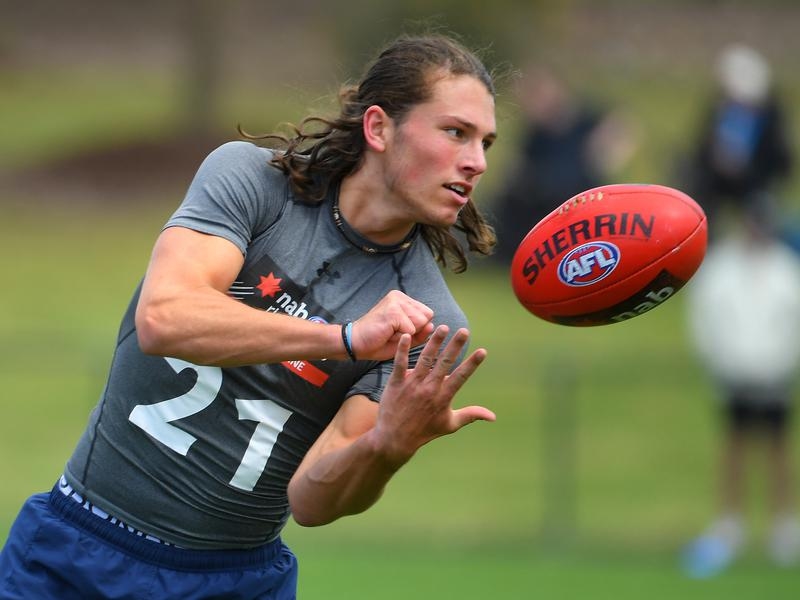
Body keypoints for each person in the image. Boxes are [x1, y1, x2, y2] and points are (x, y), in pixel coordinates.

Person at [0, 33, 499, 599]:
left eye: (485, 142)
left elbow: (312, 501)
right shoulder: (256, 183)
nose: (476, 162)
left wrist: (386, 447)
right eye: (455, 132)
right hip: (75, 549)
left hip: (230, 584)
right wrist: (344, 338)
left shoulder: (428, 319)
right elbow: (164, 318)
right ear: (379, 128)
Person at [681, 199, 800, 578]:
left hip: (775, 372)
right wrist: (717, 360)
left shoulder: (785, 268)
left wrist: (785, 361)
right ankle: (729, 525)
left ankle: (784, 527)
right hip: (733, 373)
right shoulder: (721, 267)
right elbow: (704, 318)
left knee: (778, 447)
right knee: (733, 447)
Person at [489, 65, 636, 263]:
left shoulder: (586, 119)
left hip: (581, 195)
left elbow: (619, 135)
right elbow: (522, 168)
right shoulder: (536, 134)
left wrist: (605, 153)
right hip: (541, 199)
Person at [681, 43, 793, 237]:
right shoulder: (720, 109)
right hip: (716, 179)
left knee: (760, 208)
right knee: (700, 197)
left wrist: (747, 169)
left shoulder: (770, 117)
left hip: (755, 181)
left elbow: (781, 161)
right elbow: (701, 148)